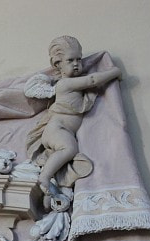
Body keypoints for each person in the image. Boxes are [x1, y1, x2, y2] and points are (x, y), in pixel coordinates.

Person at [29, 36, 121, 193]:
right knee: (69, 149)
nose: (76, 64)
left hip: (62, 131)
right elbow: (92, 80)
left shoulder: (74, 83)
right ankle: (44, 177)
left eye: (79, 59)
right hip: (57, 130)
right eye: (70, 60)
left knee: (65, 153)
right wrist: (115, 72)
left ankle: (50, 191)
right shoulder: (65, 84)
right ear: (58, 64)